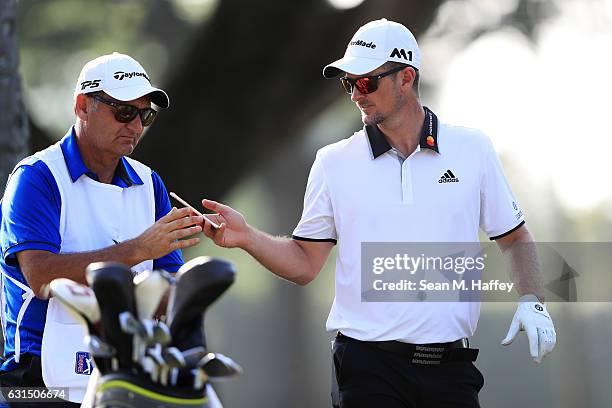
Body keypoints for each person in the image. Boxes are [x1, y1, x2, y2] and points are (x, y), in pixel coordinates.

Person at [199, 19, 556, 408]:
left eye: (367, 82)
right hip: (367, 367)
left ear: (406, 77)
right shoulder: (333, 162)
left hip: (451, 369)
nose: (355, 95)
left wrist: (531, 299)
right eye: (349, 83)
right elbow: (304, 262)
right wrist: (248, 236)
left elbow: (514, 238)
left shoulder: (473, 149)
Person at [0, 52, 204, 406]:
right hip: (38, 381)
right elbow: (42, 277)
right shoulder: (36, 177)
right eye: (124, 111)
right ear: (82, 106)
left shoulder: (149, 182)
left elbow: (167, 284)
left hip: (127, 374)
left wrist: (186, 290)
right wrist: (137, 250)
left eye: (145, 115)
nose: (136, 126)